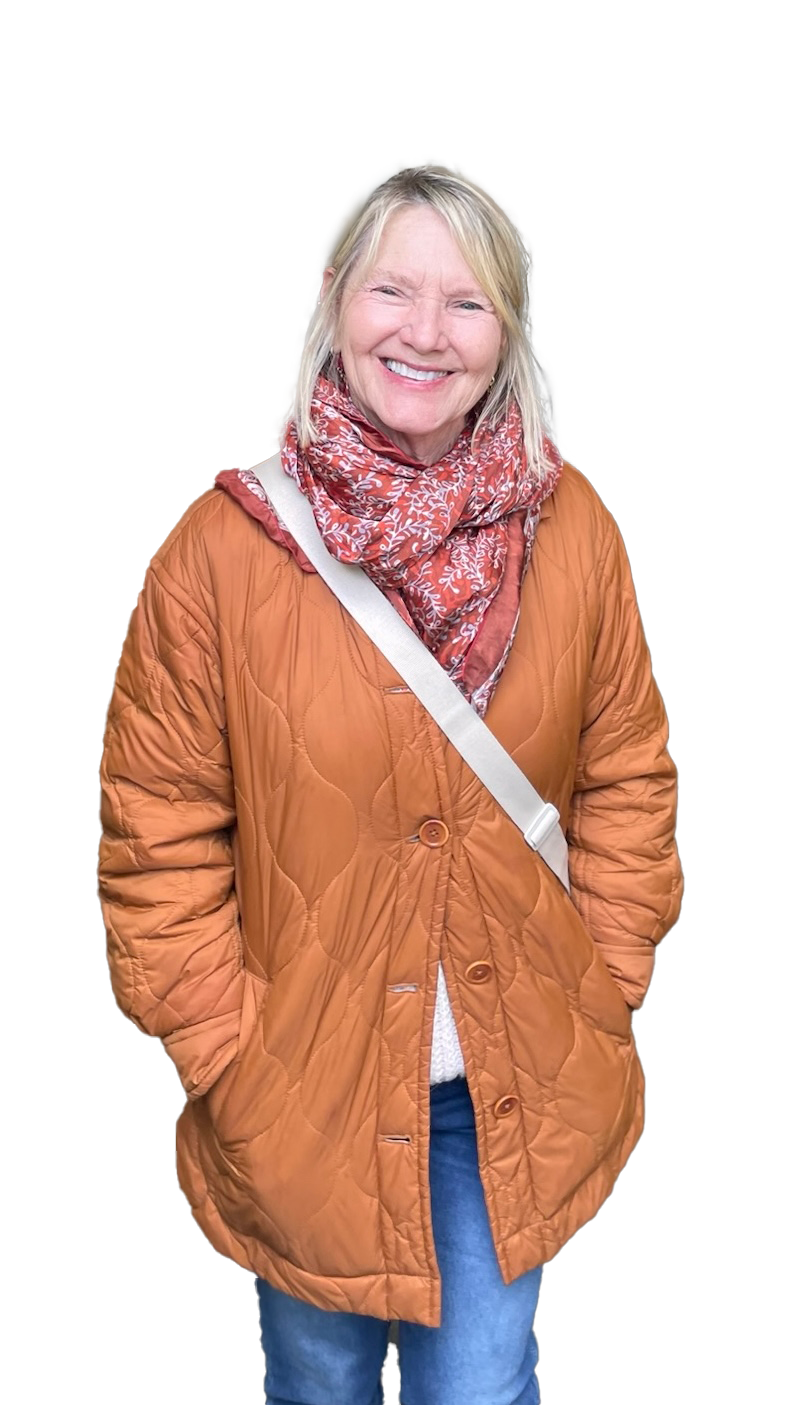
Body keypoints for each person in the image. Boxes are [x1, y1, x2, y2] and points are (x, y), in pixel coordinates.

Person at [96, 164, 683, 1405]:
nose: (425, 332)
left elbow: (628, 776)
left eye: (467, 303)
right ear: (329, 303)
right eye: (392, 290)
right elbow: (157, 836)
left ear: (508, 333)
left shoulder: (571, 528)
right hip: (301, 1085)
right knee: (317, 1386)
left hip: (514, 1073)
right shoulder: (217, 556)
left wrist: (606, 977)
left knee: (479, 1388)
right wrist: (226, 1049)